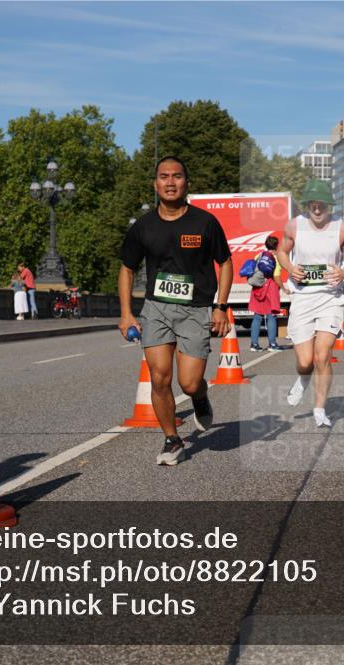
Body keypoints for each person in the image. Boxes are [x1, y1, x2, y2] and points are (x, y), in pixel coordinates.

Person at [118, 156, 233, 465]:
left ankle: (200, 397)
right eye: (164, 176)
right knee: (159, 377)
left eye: (177, 176)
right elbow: (127, 268)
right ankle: (172, 440)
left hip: (196, 309)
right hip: (156, 308)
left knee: (190, 382)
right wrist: (126, 313)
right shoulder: (143, 226)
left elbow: (225, 263)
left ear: (187, 183)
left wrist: (221, 307)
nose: (170, 182)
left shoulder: (205, 222)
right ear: (155, 184)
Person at [276, 179, 344, 427]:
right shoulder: (294, 226)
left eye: (321, 204)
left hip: (330, 299)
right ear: (307, 205)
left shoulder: (341, 228)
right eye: (312, 204)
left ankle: (319, 408)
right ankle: (303, 378)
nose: (317, 209)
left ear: (329, 205)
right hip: (303, 298)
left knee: (323, 355)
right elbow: (281, 252)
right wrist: (290, 268)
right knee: (305, 362)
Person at [248, 235, 285, 352]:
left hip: (257, 288)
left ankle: (254, 344)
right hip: (270, 287)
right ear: (276, 246)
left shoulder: (259, 255)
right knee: (271, 316)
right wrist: (284, 288)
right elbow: (276, 276)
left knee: (257, 316)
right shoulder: (275, 258)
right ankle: (272, 344)